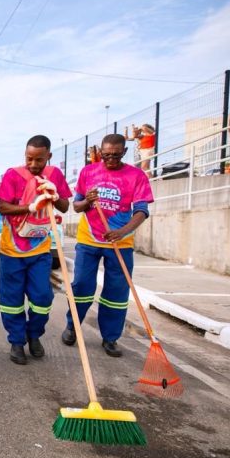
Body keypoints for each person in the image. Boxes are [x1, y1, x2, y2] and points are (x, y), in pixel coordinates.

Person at [61, 133, 154, 357]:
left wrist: (122, 232)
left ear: (124, 152)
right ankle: (72, 327)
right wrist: (88, 201)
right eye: (105, 155)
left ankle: (110, 338)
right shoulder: (88, 172)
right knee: (82, 286)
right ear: (100, 153)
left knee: (116, 292)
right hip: (88, 240)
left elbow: (142, 211)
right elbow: (77, 206)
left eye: (115, 155)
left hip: (119, 243)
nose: (110, 160)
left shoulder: (136, 175)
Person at [0, 135, 72, 365]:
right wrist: (30, 206)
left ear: (48, 156)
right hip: (12, 251)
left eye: (39, 160)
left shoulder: (55, 175)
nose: (33, 164)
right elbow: (3, 207)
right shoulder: (13, 175)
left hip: (40, 250)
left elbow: (65, 206)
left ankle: (34, 334)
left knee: (42, 298)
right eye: (29, 158)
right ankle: (17, 342)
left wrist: (55, 195)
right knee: (12, 300)